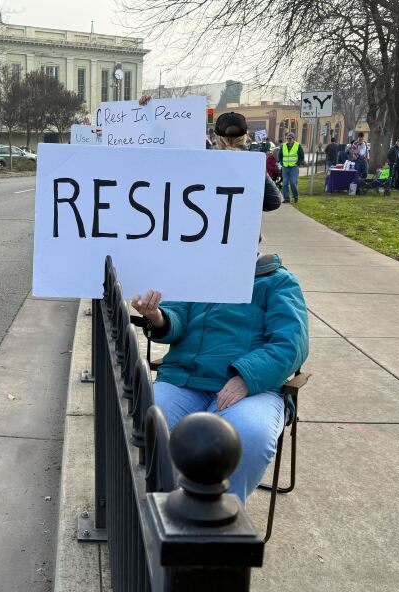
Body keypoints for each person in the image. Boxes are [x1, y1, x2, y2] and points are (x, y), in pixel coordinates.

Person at [130, 115, 307, 501]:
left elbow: (291, 344)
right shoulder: (197, 272)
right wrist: (157, 317)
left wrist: (245, 377)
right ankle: (164, 506)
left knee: (249, 435)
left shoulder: (278, 281)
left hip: (251, 389)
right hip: (188, 380)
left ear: (256, 235)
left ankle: (222, 517)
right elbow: (175, 320)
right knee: (143, 422)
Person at [279, 132, 304, 203]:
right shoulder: (283, 145)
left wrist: (297, 163)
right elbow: (280, 155)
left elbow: (301, 156)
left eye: (290, 138)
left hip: (294, 167)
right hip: (285, 167)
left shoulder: (298, 145)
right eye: (287, 138)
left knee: (293, 182)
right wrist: (282, 163)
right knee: (285, 183)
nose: (288, 140)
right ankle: (286, 198)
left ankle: (295, 197)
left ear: (293, 138)